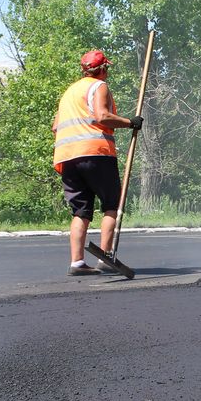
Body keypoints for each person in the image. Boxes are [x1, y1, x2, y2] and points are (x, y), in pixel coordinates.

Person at [52, 49, 143, 276]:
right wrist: (130, 122)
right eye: (107, 68)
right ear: (103, 69)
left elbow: (56, 126)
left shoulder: (69, 92)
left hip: (67, 156)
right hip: (95, 154)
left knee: (80, 211)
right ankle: (106, 255)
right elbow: (102, 116)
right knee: (112, 204)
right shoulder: (98, 86)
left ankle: (77, 263)